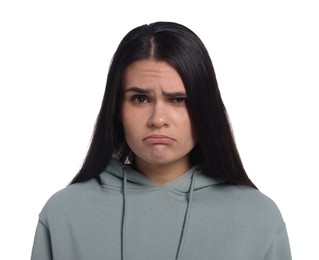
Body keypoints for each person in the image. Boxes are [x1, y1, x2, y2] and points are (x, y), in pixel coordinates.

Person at [31, 21, 291, 260]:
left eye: (178, 100)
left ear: (204, 109)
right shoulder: (64, 213)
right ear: (117, 110)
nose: (158, 119)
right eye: (140, 99)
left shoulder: (257, 218)